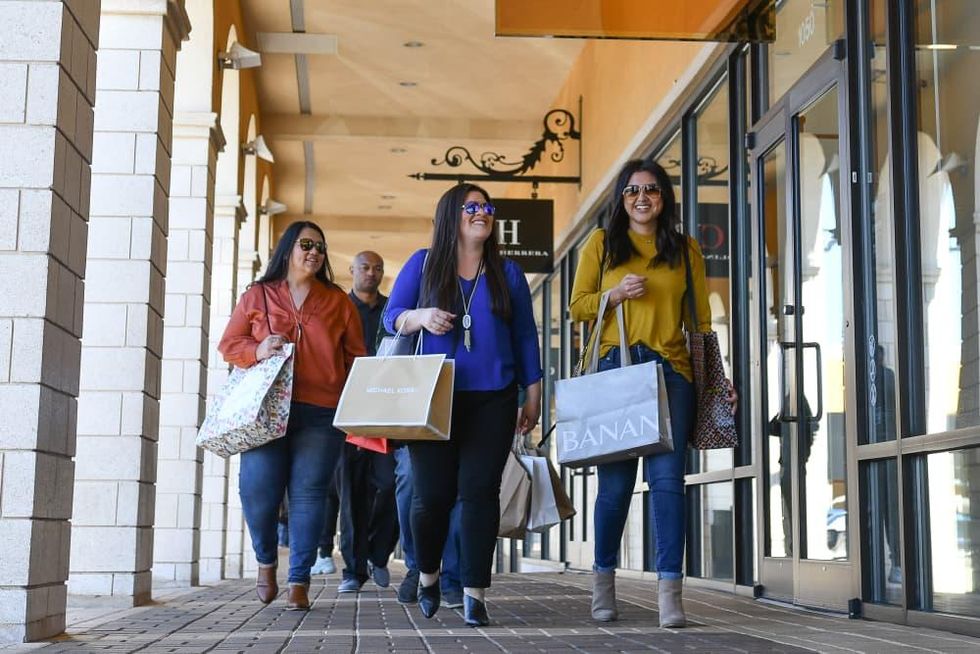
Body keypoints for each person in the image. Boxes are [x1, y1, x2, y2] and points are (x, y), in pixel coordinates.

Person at [568, 159, 736, 628]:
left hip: (671, 374)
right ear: (621, 199)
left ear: (664, 198)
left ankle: (670, 594)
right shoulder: (601, 245)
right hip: (616, 371)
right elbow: (577, 307)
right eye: (632, 191)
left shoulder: (684, 249)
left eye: (652, 190)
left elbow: (700, 322)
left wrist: (719, 382)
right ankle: (603, 583)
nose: (642, 198)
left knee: (668, 486)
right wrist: (614, 294)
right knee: (616, 488)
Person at [383, 183, 543, 627]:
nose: (482, 213)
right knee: (431, 496)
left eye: (487, 207)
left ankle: (474, 592)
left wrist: (533, 393)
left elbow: (525, 336)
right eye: (472, 207)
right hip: (433, 396)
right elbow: (391, 315)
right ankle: (430, 574)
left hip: (493, 396)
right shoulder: (424, 263)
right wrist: (421, 316)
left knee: (479, 493)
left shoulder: (507, 272)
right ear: (451, 215)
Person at [218, 220, 366, 611]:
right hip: (266, 411)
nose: (314, 252)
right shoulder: (258, 295)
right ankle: (267, 561)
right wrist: (257, 349)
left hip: (321, 411)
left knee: (308, 495)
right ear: (288, 249)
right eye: (306, 244)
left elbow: (356, 358)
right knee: (257, 490)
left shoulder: (337, 301)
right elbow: (229, 345)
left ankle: (299, 580)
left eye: (320, 246)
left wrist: (353, 403)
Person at [335, 251, 401, 593]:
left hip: (388, 410)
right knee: (353, 493)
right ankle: (353, 570)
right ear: (352, 271)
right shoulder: (338, 308)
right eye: (365, 267)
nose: (371, 273)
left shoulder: (393, 311)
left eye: (378, 267)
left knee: (392, 484)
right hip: (347, 413)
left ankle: (379, 552)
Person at [393, 449, 464, 608]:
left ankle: (452, 576)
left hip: (462, 426)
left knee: (460, 488)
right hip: (416, 428)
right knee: (408, 477)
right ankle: (417, 565)